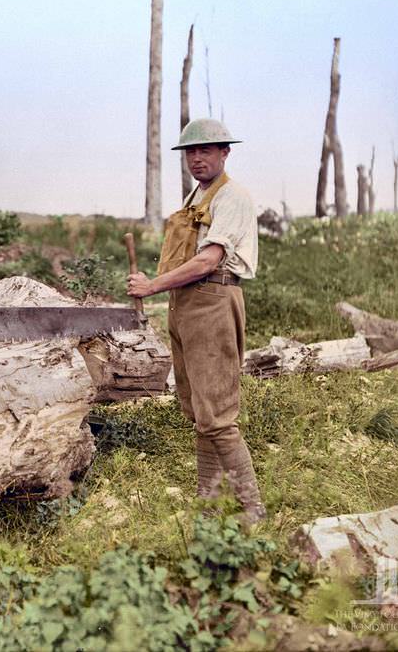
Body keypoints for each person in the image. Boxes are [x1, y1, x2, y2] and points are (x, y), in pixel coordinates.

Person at [126, 118, 265, 524]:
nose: (197, 158)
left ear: (225, 152)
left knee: (218, 416)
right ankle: (209, 504)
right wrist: (161, 289)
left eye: (207, 150)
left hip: (213, 300)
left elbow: (208, 260)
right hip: (185, 303)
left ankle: (252, 509)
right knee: (200, 414)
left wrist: (151, 287)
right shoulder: (196, 197)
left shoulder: (233, 197)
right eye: (191, 151)